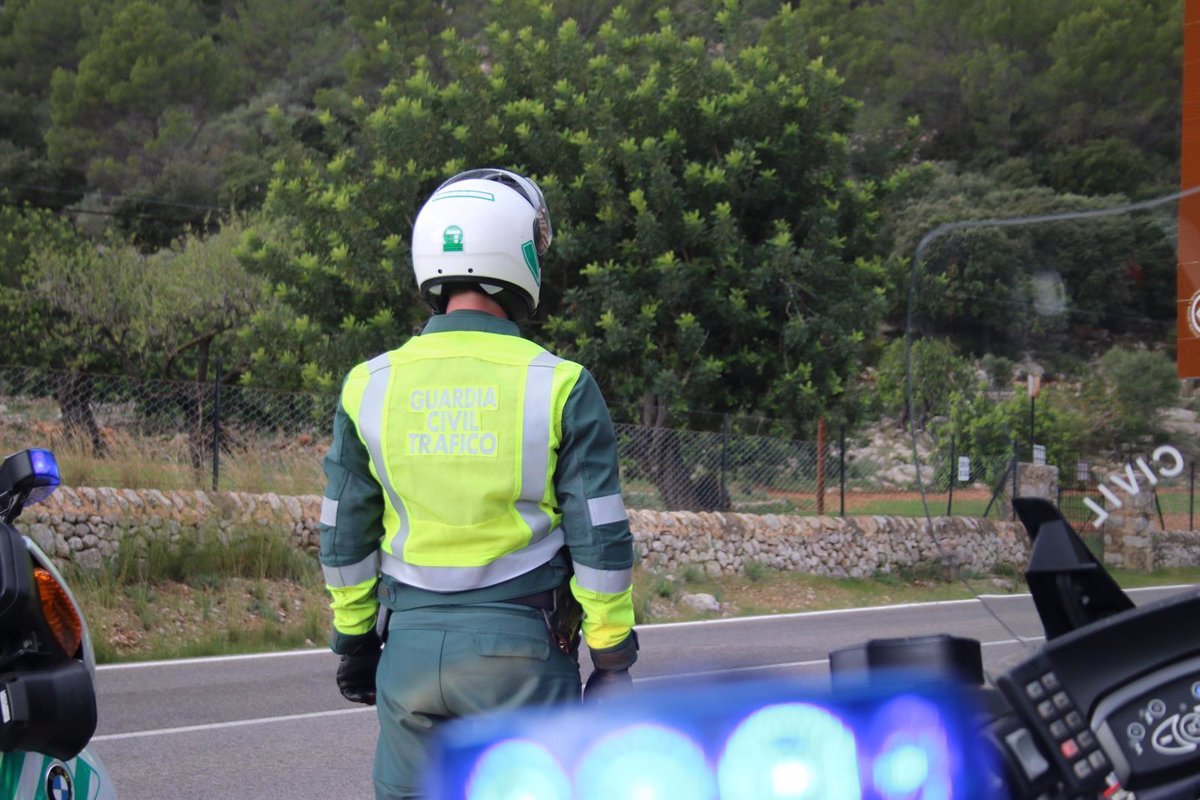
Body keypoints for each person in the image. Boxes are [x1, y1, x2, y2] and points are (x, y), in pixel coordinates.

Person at [318, 168, 639, 799]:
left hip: (409, 654)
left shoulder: (369, 384)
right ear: (518, 258)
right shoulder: (561, 383)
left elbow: (343, 533)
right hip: (522, 655)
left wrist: (353, 640)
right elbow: (600, 537)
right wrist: (611, 659)